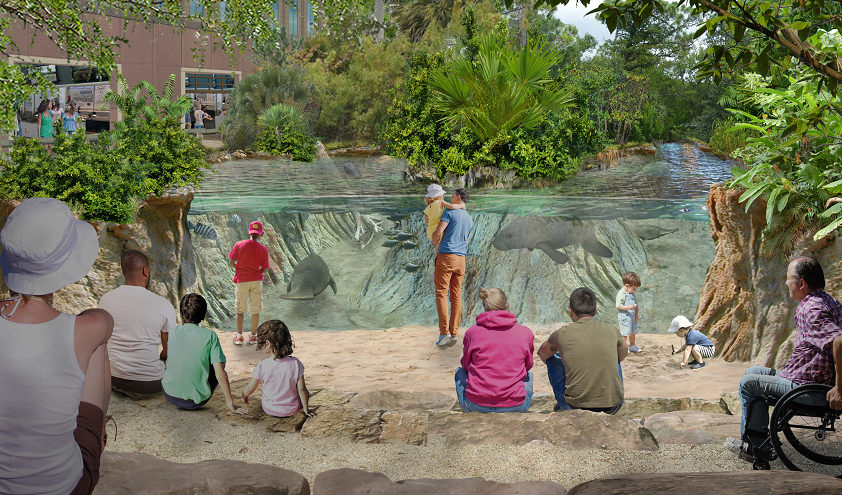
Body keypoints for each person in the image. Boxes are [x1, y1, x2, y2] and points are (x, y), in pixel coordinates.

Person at [0, 197, 113, 495]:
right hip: (65, 487)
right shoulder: (90, 328)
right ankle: (98, 436)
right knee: (96, 348)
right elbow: (103, 319)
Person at [725, 256, 842, 460]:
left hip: (810, 388)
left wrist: (839, 389)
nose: (786, 282)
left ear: (801, 283)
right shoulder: (827, 300)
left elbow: (840, 341)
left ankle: (757, 447)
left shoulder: (813, 309)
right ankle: (757, 439)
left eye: (788, 278)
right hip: (807, 379)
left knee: (748, 383)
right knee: (753, 371)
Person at [99, 250, 177, 398]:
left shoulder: (106, 299)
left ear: (123, 272)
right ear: (145, 270)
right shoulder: (163, 304)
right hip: (149, 385)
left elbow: (103, 340)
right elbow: (169, 351)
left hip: (113, 379)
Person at [537, 287, 627, 413]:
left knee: (552, 358)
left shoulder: (562, 333)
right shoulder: (611, 329)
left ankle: (564, 401)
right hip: (613, 407)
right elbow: (623, 353)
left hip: (575, 408)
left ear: (570, 311)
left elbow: (542, 354)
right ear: (595, 311)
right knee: (614, 356)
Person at [161, 293, 245, 414]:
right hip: (194, 402)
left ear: (180, 314)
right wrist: (230, 403)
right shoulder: (210, 335)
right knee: (219, 365)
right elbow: (222, 374)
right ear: (204, 315)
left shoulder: (172, 332)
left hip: (168, 394)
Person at [455, 288, 534, 413]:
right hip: (515, 406)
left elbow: (465, 365)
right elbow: (528, 366)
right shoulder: (525, 333)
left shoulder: (471, 333)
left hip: (475, 406)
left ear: (485, 308)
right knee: (529, 375)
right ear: (507, 305)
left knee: (459, 372)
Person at [241, 320, 314, 418]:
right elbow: (302, 390)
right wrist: (306, 408)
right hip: (291, 409)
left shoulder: (262, 365)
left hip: (269, 408)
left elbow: (251, 388)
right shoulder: (296, 363)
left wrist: (244, 396)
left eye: (259, 341)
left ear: (267, 343)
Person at [431, 188, 473, 346]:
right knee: (456, 296)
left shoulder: (449, 213)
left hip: (446, 256)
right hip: (461, 259)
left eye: (453, 195)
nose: (451, 197)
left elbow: (439, 232)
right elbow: (466, 241)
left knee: (441, 294)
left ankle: (444, 333)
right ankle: (454, 333)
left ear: (458, 196)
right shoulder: (469, 218)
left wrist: (435, 241)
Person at [228, 221, 271, 345]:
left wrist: (239, 268)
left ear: (249, 232)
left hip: (241, 280)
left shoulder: (239, 245)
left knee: (240, 310)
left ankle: (239, 336)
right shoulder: (263, 250)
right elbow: (266, 269)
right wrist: (257, 270)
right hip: (256, 280)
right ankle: (253, 336)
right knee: (255, 310)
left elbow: (231, 262)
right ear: (261, 234)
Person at [616, 272, 642, 353]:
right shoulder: (621, 294)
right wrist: (628, 307)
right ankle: (623, 347)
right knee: (625, 332)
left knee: (632, 332)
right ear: (627, 286)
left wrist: (637, 314)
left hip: (632, 316)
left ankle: (632, 345)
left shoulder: (631, 293)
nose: (635, 290)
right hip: (625, 317)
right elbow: (618, 306)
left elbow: (635, 304)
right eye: (634, 289)